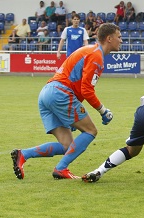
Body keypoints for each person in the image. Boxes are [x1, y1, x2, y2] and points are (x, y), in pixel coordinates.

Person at [10, 23, 122, 180]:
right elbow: (87, 90)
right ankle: (61, 168)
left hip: (47, 93)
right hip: (61, 93)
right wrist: (103, 111)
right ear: (109, 38)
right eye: (119, 37)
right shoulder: (96, 56)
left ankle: (23, 154)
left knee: (67, 146)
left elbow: (78, 85)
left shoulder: (90, 50)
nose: (121, 40)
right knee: (91, 131)